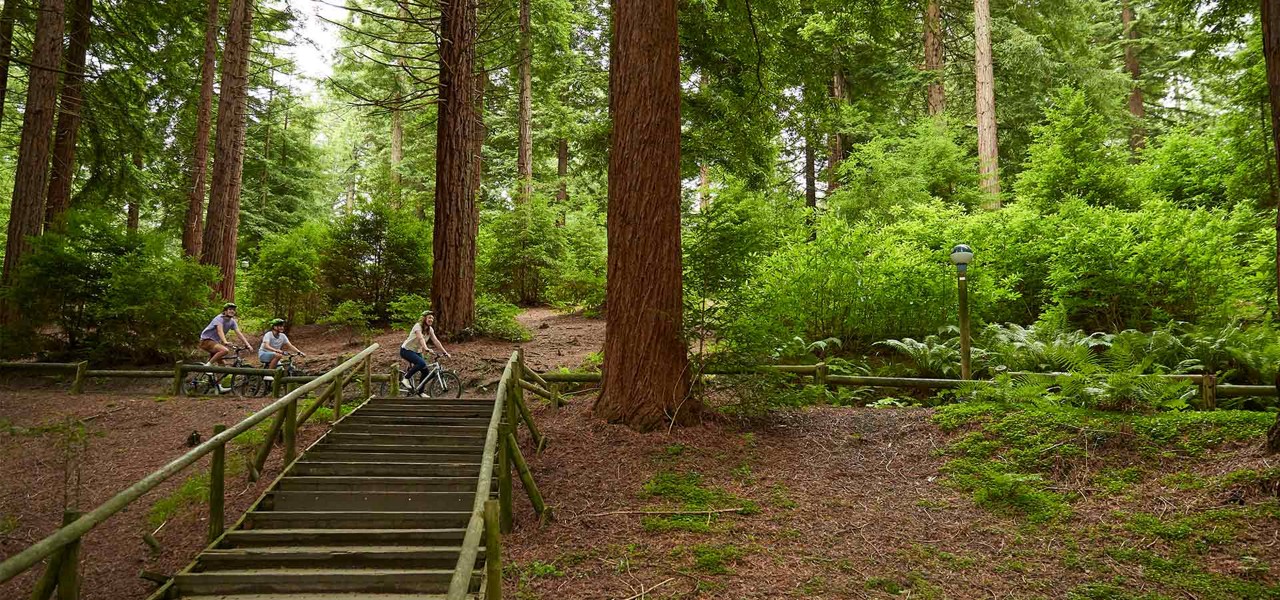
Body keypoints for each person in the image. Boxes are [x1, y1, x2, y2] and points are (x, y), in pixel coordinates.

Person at [401, 310, 450, 394]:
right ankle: (406, 378)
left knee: (426, 372)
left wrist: (445, 352)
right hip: (406, 350)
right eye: (429, 317)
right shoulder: (418, 326)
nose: (431, 319)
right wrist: (426, 348)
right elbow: (421, 338)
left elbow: (436, 341)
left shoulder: (430, 329)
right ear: (424, 319)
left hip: (417, 351)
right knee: (421, 363)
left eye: (432, 318)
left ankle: (420, 392)